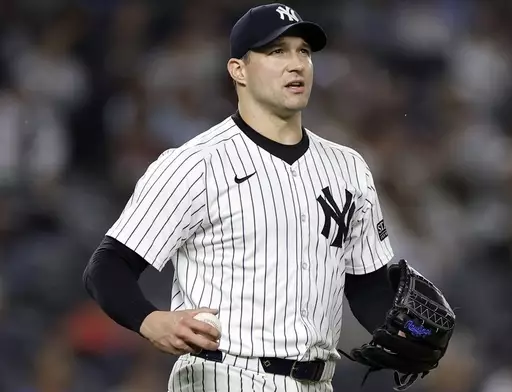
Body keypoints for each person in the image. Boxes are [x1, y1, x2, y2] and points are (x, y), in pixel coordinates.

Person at [84, 3, 402, 391]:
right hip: (222, 374)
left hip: (318, 382)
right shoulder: (196, 163)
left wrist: (407, 333)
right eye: (276, 51)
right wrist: (150, 320)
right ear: (239, 70)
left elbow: (367, 284)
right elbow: (108, 266)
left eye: (303, 50)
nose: (296, 63)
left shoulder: (348, 167)